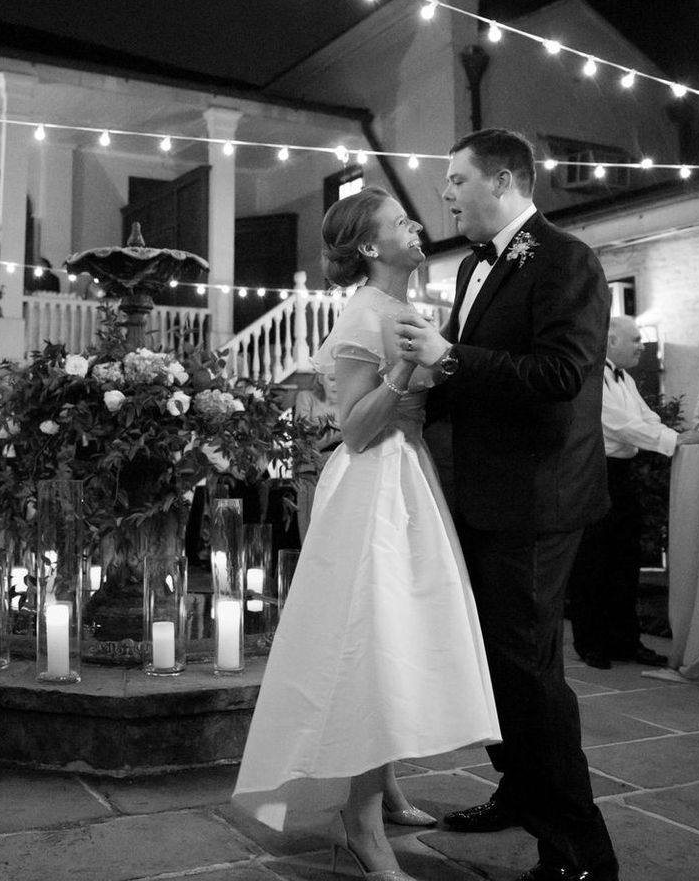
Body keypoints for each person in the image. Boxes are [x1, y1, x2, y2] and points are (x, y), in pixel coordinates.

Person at [233, 188, 499, 880]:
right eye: (401, 222)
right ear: (373, 248)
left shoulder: (399, 309)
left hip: (406, 477)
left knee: (396, 637)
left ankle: (384, 787)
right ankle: (358, 823)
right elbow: (350, 426)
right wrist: (409, 369)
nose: (417, 226)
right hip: (372, 486)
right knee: (371, 641)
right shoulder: (362, 314)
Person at [394, 129, 619, 881]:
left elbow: (559, 374)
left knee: (526, 671)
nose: (445, 194)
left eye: (456, 180)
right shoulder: (470, 269)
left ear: (504, 179)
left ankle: (578, 850)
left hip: (537, 497)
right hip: (483, 493)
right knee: (498, 663)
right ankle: (520, 789)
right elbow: (472, 379)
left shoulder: (567, 259)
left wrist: (449, 356)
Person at [567, 316, 691, 670]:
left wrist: (674, 438)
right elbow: (619, 424)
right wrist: (675, 441)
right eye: (635, 339)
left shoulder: (626, 379)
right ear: (610, 341)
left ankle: (625, 639)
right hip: (594, 473)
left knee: (625, 558)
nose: (641, 345)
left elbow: (646, 419)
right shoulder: (589, 375)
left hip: (622, 475)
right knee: (593, 561)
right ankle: (591, 642)